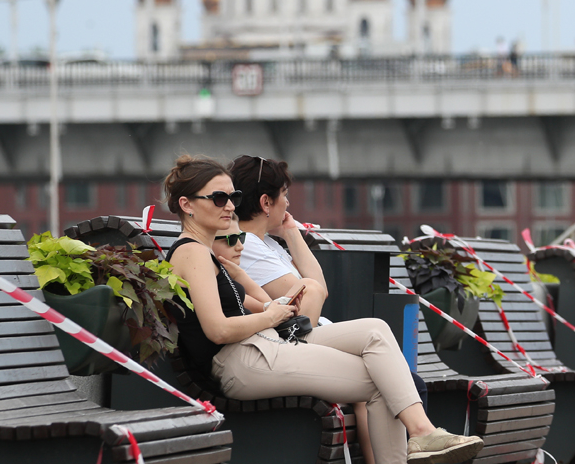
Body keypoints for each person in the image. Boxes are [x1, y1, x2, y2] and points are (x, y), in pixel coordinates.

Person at [163, 154, 483, 464]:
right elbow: (217, 330)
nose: (230, 205)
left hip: (261, 346)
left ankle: (422, 432)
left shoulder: (207, 254)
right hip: (240, 361)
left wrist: (270, 304)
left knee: (375, 330)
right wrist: (270, 316)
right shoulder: (191, 252)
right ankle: (422, 433)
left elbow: (244, 307)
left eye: (232, 195)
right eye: (219, 198)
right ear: (187, 204)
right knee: (385, 382)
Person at [228, 154, 429, 464]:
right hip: (290, 342)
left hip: (303, 337)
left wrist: (292, 234)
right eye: (285, 197)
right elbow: (308, 302)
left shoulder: (267, 243)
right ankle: (422, 436)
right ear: (266, 202)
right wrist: (312, 289)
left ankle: (421, 437)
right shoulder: (247, 245)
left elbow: (317, 286)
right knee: (391, 372)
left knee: (395, 378)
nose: (288, 206)